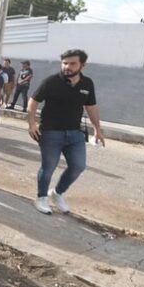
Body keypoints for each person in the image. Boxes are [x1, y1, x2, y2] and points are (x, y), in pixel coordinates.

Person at [28, 49, 105, 215]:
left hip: (75, 134)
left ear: (82, 65)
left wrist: (97, 129)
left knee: (78, 166)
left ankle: (57, 193)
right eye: (65, 63)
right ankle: (41, 198)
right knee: (48, 167)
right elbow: (33, 101)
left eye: (72, 63)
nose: (67, 67)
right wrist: (32, 124)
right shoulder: (51, 81)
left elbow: (91, 107)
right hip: (50, 132)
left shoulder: (87, 84)